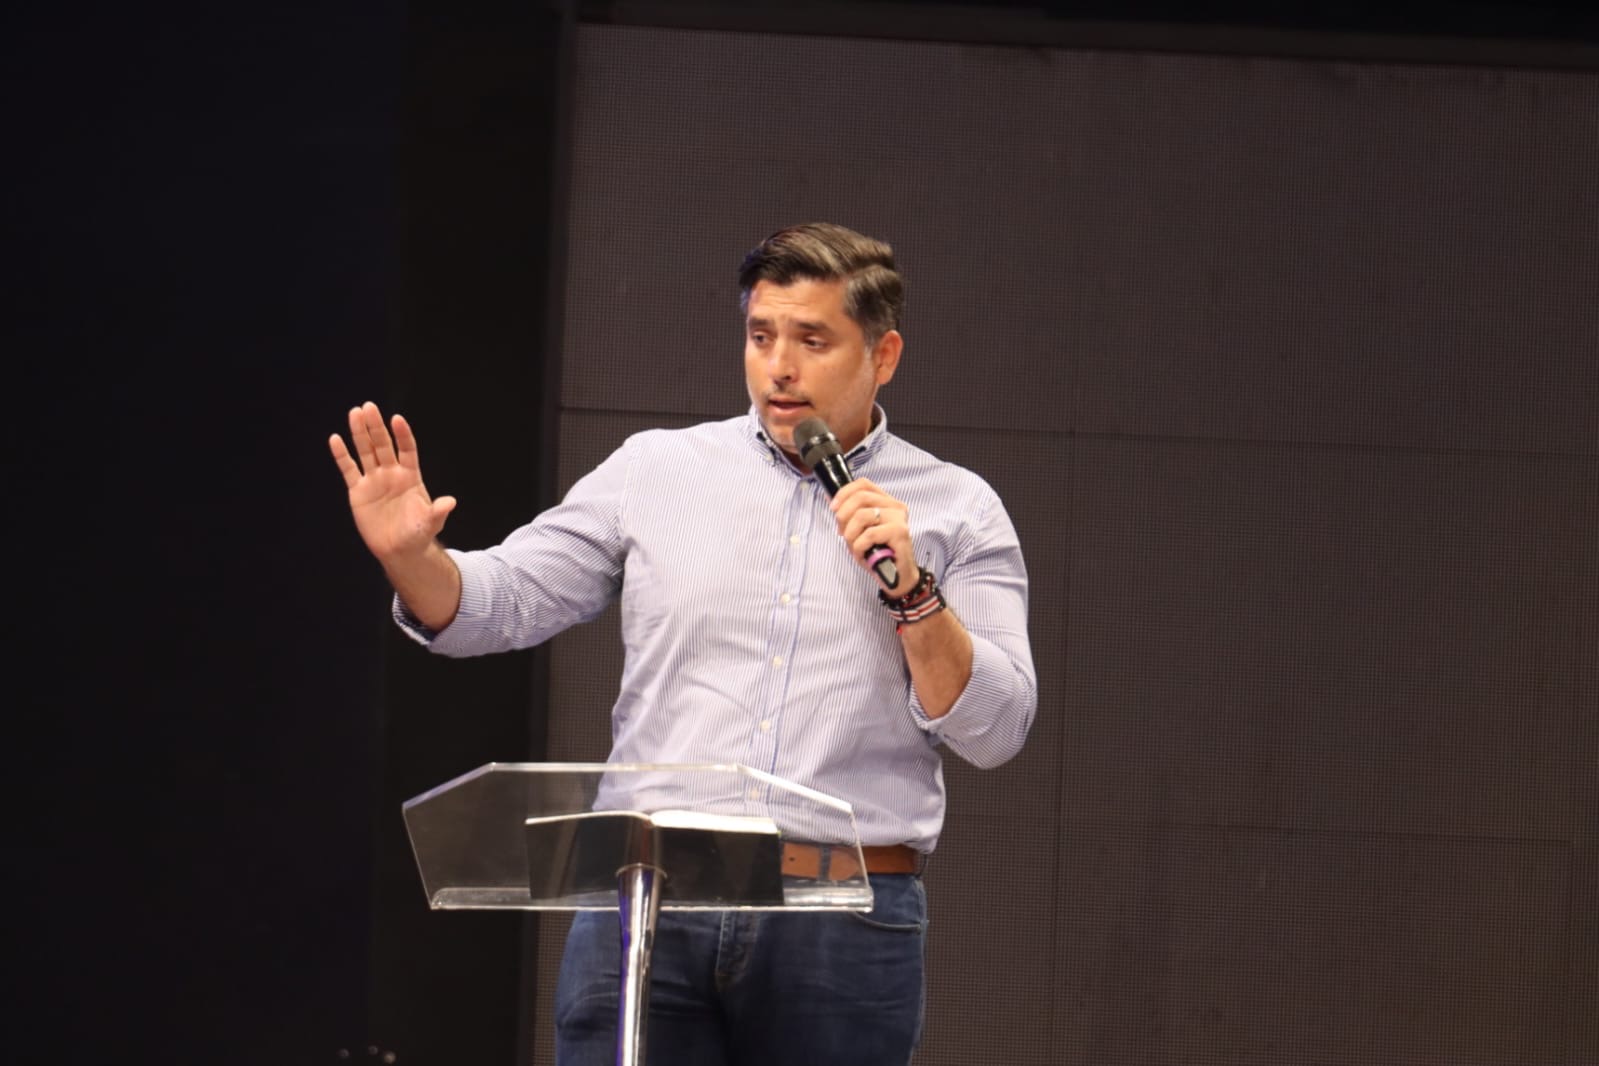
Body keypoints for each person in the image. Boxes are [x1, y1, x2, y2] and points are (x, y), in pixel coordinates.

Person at [330, 222, 1037, 1066]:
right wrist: (413, 559)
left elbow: (996, 728)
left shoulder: (957, 508)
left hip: (838, 916)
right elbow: (502, 603)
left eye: (812, 341)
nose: (778, 367)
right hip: (647, 902)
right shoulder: (654, 471)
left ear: (882, 356)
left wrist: (913, 591)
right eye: (761, 336)